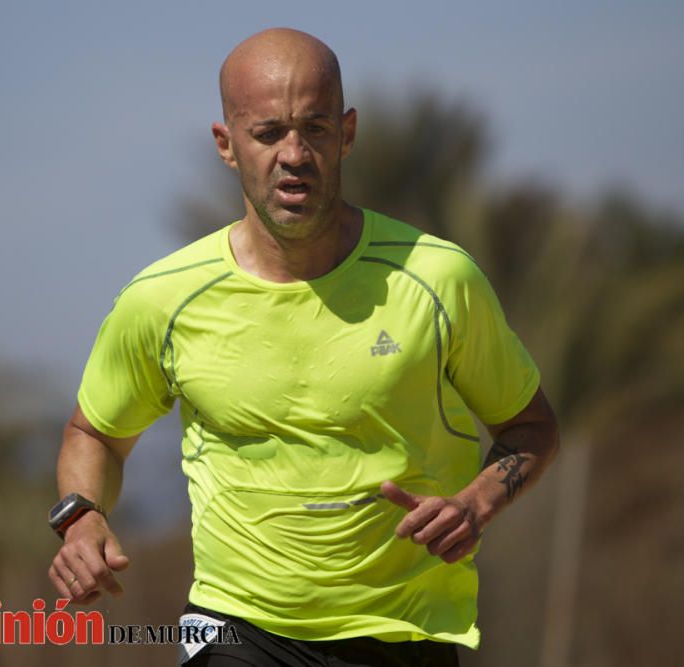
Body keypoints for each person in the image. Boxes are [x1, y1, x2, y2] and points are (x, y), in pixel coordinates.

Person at [48, 27, 559, 666]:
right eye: (267, 134)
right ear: (226, 145)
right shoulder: (162, 299)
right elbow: (94, 433)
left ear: (346, 134)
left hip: (402, 633)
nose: (294, 154)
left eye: (314, 129)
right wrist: (81, 517)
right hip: (232, 627)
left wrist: (477, 502)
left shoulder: (437, 278)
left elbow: (532, 426)